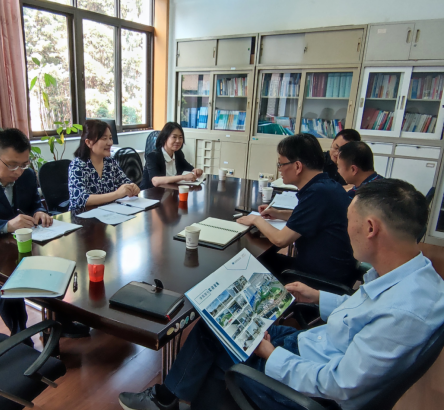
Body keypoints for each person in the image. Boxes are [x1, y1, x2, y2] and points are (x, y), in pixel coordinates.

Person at [119, 179, 444, 411]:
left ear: (371, 228)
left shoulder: (402, 314)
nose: (346, 230)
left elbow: (338, 385)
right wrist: (318, 297)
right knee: (216, 325)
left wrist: (269, 354)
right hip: (315, 347)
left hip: (306, 388)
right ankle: (171, 398)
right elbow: (363, 316)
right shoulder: (417, 278)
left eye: (349, 221)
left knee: (216, 343)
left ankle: (171, 399)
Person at [0, 128, 89, 340]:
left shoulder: (27, 175)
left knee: (60, 262)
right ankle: (21, 338)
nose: (18, 171)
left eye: (24, 164)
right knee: (8, 284)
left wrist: (40, 212)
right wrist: (6, 225)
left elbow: (34, 204)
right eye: (12, 165)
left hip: (19, 247)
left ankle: (61, 322)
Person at [237, 134, 357, 287]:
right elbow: (313, 217)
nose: (280, 169)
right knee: (263, 259)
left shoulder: (317, 193)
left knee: (251, 264)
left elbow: (281, 240)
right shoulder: (327, 186)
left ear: (298, 166)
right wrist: (279, 213)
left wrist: (256, 219)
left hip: (320, 280)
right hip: (333, 271)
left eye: (281, 164)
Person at [69, 120, 140, 213]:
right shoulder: (78, 165)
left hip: (108, 214)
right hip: (82, 216)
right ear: (89, 142)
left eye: (110, 138)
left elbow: (125, 183)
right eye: (104, 138)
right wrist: (117, 194)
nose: (110, 143)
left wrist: (132, 188)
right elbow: (81, 199)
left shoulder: (110, 162)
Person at [140, 122, 203, 190]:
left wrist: (195, 170)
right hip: (151, 193)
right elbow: (155, 181)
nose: (178, 141)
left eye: (180, 137)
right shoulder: (153, 156)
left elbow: (186, 166)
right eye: (174, 137)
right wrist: (183, 177)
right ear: (165, 138)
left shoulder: (178, 153)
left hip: (170, 192)